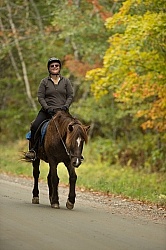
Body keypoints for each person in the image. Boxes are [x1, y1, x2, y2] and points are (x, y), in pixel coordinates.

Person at [25, 57, 74, 160]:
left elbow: (70, 95)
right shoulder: (44, 82)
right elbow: (40, 97)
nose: (54, 67)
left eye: (56, 65)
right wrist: (47, 108)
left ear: (60, 67)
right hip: (47, 112)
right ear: (49, 68)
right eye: (52, 66)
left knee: (76, 128)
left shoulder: (66, 81)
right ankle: (33, 150)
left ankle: (75, 153)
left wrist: (66, 106)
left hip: (63, 113)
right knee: (34, 126)